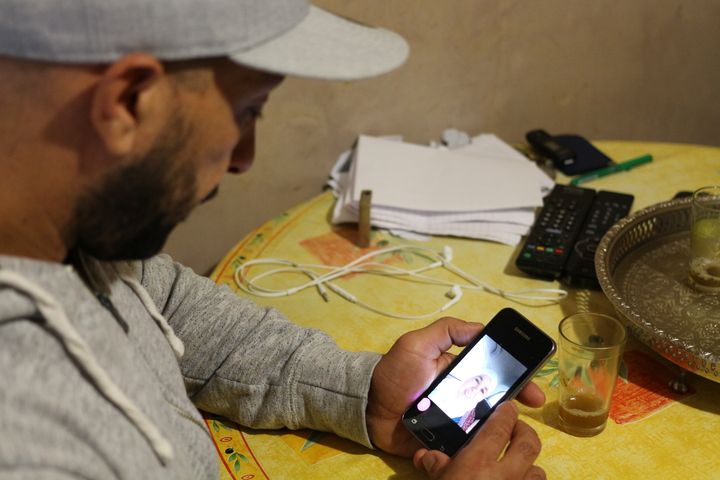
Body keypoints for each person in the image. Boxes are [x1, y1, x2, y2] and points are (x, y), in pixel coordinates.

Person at [0, 1, 547, 479]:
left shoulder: (81, 239)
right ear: (128, 101)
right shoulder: (26, 443)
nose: (245, 157)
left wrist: (360, 393)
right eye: (246, 112)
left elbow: (169, 307)